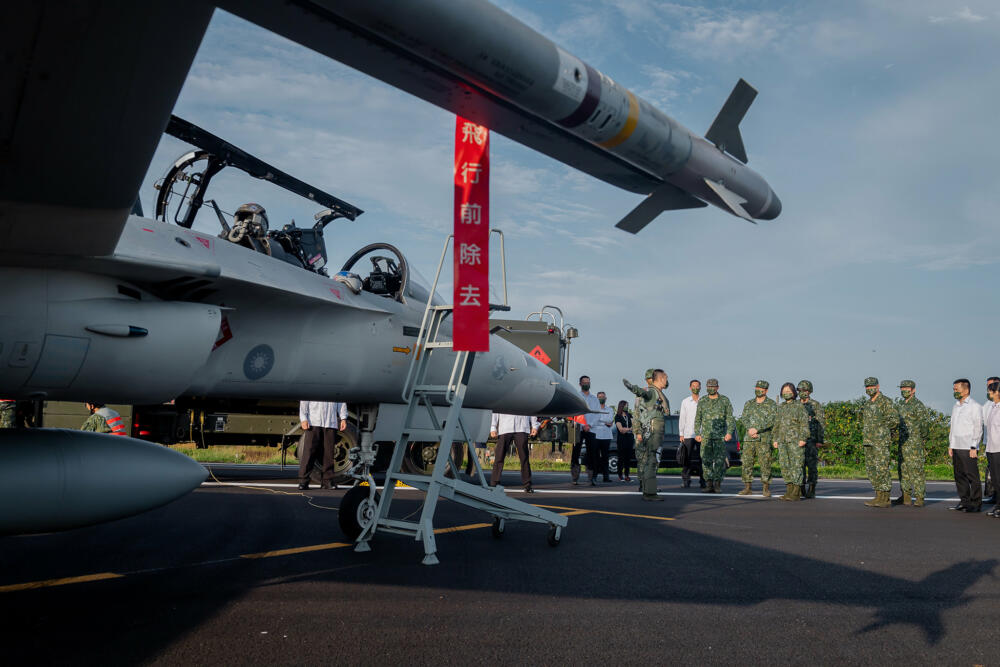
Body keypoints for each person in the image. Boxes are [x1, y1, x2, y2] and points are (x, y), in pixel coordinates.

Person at [623, 368, 669, 501]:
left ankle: (649, 490)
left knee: (651, 458)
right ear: (660, 379)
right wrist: (632, 387)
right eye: (665, 378)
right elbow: (643, 392)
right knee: (651, 459)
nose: (667, 380)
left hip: (655, 427)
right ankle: (649, 492)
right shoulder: (652, 391)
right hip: (653, 428)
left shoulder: (658, 392)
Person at [861, 377, 898, 508]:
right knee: (871, 469)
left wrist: (881, 427)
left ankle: (885, 498)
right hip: (868, 441)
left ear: (878, 386)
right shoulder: (867, 404)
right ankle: (878, 495)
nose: (869, 388)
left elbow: (895, 420)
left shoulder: (885, 401)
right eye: (867, 386)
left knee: (882, 468)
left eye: (872, 386)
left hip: (881, 442)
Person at [693, 378, 734, 494]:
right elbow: (698, 418)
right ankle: (709, 484)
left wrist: (729, 432)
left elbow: (730, 418)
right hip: (706, 436)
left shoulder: (724, 400)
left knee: (720, 461)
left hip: (720, 437)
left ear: (717, 388)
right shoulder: (703, 400)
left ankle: (717, 485)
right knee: (706, 460)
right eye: (709, 387)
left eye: (713, 387)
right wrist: (697, 433)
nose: (711, 388)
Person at [948, 378, 983, 512]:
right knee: (959, 475)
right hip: (956, 445)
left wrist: (974, 446)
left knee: (972, 476)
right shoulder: (956, 405)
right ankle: (964, 501)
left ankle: (976, 503)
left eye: (956, 389)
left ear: (966, 389)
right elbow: (953, 426)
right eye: (954, 389)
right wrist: (951, 445)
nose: (954, 391)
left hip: (968, 447)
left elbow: (978, 427)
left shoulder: (974, 406)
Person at [894, 380, 930, 507]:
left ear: (913, 390)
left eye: (907, 388)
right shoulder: (901, 405)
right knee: (903, 470)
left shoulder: (918, 405)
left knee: (916, 470)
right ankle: (906, 496)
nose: (904, 390)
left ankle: (919, 497)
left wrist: (920, 438)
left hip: (914, 443)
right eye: (902, 388)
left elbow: (924, 425)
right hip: (903, 443)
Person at [738, 380, 776, 497]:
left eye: (761, 388)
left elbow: (772, 420)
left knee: (765, 463)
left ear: (766, 390)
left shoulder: (772, 404)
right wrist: (750, 429)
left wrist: (757, 429)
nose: (758, 390)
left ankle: (766, 488)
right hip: (749, 438)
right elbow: (744, 418)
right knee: (746, 463)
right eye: (757, 388)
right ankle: (747, 487)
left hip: (763, 438)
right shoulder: (749, 403)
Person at [298, 400, 348, 490]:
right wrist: (303, 418)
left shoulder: (336, 385)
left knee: (329, 453)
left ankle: (327, 481)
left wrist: (343, 418)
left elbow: (340, 400)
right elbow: (304, 401)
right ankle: (303, 481)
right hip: (313, 421)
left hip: (330, 422)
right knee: (309, 452)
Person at [772, 383, 808, 501]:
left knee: (796, 465)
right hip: (782, 441)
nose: (786, 393)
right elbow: (776, 425)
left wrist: (803, 438)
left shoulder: (799, 406)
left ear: (794, 392)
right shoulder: (780, 407)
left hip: (795, 441)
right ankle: (789, 490)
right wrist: (775, 439)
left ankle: (796, 492)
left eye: (789, 390)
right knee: (785, 465)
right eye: (784, 391)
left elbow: (804, 424)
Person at [489, 413, 539, 492]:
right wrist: (493, 427)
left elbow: (530, 408)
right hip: (505, 427)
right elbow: (497, 409)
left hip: (522, 427)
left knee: (524, 458)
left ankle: (527, 484)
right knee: (499, 456)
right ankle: (494, 483)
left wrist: (534, 425)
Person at [798, 380, 825, 499]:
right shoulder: (795, 405)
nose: (802, 392)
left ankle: (812, 488)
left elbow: (821, 423)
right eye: (800, 390)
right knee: (799, 465)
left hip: (812, 440)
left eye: (805, 390)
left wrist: (820, 440)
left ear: (809, 391)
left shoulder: (815, 405)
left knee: (812, 465)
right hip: (798, 440)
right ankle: (801, 487)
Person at [678, 380, 705, 488]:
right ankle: (686, 480)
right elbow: (682, 418)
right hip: (688, 434)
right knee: (686, 458)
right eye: (693, 386)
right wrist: (681, 434)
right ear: (690, 388)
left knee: (702, 459)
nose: (695, 388)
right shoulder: (685, 401)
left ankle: (703, 481)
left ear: (700, 387)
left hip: (701, 435)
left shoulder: (704, 401)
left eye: (697, 386)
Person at [575, 375, 602, 486]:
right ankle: (575, 477)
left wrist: (589, 425)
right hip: (578, 429)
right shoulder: (576, 396)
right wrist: (582, 425)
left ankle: (592, 477)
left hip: (591, 429)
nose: (586, 384)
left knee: (593, 453)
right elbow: (574, 413)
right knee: (575, 452)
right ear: (580, 384)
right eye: (584, 382)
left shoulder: (594, 399)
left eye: (588, 382)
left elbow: (597, 414)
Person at [985, 379, 1000, 517]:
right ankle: (998, 506)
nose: (988, 393)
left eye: (991, 390)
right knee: (995, 479)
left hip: (999, 449)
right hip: (991, 448)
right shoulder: (993, 407)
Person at [593, 391, 614, 482]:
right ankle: (594, 476)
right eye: (599, 397)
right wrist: (605, 422)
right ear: (597, 398)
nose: (601, 398)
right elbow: (594, 420)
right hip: (596, 436)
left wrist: (600, 421)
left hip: (606, 436)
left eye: (603, 397)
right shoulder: (593, 409)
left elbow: (610, 420)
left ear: (606, 398)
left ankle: (606, 477)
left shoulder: (610, 409)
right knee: (596, 457)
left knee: (605, 457)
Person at [615, 400, 635, 482]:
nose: (627, 407)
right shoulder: (618, 416)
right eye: (626, 405)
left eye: (628, 405)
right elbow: (621, 429)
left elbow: (635, 424)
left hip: (629, 439)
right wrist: (630, 429)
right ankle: (620, 475)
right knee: (621, 458)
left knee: (628, 458)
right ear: (621, 406)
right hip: (622, 440)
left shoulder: (629, 415)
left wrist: (629, 429)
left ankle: (627, 475)